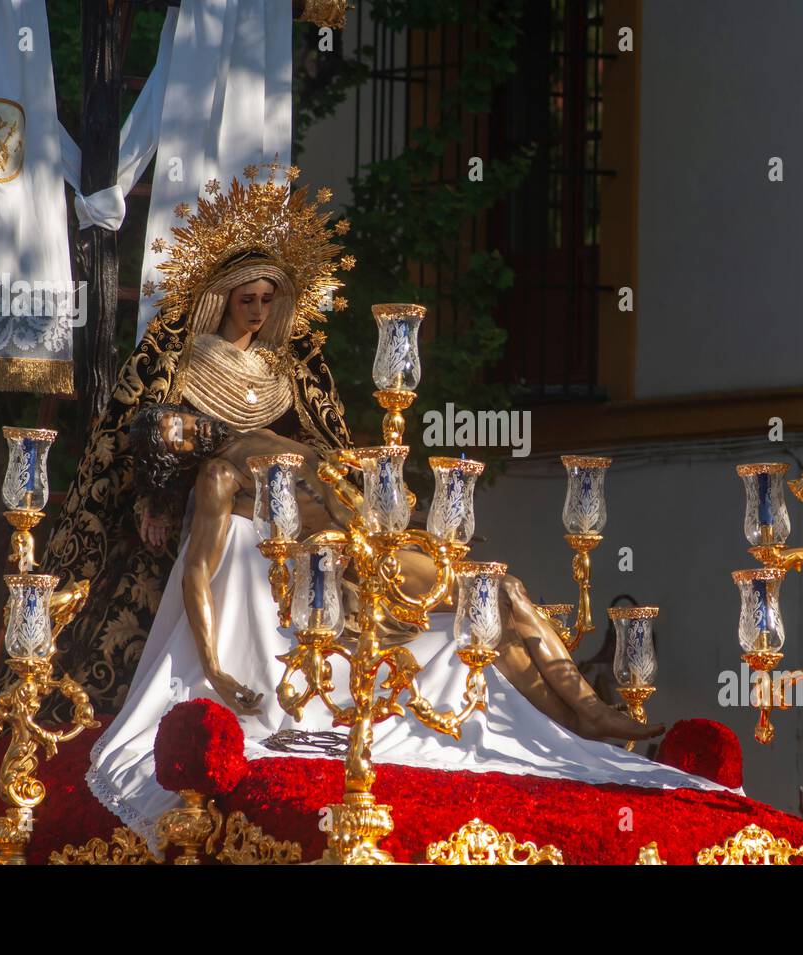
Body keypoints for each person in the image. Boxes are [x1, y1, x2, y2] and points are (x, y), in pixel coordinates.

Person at [77, 172, 721, 849]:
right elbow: (198, 577)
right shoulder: (214, 474)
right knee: (493, 598)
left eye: (268, 298)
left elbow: (333, 463)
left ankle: (587, 713)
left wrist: (369, 497)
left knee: (503, 597)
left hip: (366, 544)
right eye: (247, 298)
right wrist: (214, 665)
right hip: (342, 568)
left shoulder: (279, 398)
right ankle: (587, 715)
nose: (259, 311)